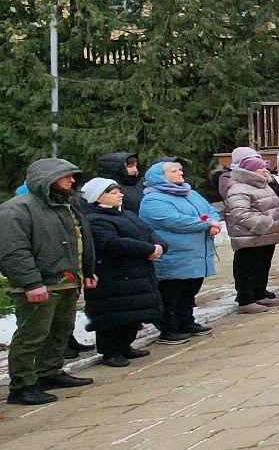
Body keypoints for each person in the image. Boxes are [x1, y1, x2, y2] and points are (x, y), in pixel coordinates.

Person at [1, 159, 98, 404]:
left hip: (67, 281)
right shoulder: (17, 209)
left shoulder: (66, 206)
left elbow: (80, 240)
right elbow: (13, 251)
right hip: (39, 284)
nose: (72, 180)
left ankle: (49, 372)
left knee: (60, 331)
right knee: (32, 335)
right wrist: (31, 283)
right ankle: (22, 386)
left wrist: (88, 271)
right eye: (66, 176)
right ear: (46, 178)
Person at [79, 177, 165, 367]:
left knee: (132, 313)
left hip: (136, 273)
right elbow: (112, 243)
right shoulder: (94, 219)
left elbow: (149, 232)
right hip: (112, 275)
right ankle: (110, 351)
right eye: (114, 192)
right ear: (97, 197)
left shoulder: (127, 214)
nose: (120, 195)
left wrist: (159, 245)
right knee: (113, 315)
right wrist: (148, 249)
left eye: (119, 191)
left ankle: (126, 345)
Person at [139, 160, 220, 338]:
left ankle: (186, 322)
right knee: (171, 293)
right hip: (174, 255)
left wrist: (212, 221)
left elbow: (209, 210)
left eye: (180, 170)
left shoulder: (190, 193)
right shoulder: (153, 199)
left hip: (196, 253)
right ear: (160, 176)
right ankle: (168, 328)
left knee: (189, 291)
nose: (180, 173)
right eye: (174, 171)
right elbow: (174, 220)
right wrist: (206, 223)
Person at [221, 152, 279, 312]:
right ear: (250, 171)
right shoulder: (239, 189)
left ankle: (259, 293)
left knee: (262, 266)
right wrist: (263, 224)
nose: (265, 170)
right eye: (260, 168)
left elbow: (272, 206)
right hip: (249, 236)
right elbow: (240, 213)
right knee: (247, 268)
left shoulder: (263, 185)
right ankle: (245, 300)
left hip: (266, 235)